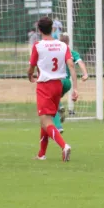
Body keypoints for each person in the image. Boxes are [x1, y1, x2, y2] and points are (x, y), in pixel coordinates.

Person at [28, 16, 78, 162]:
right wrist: (75, 88)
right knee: (45, 119)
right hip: (59, 85)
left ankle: (64, 146)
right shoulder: (63, 46)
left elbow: (31, 67)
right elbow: (71, 65)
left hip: (45, 86)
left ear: (39, 29)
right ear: (52, 29)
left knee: (46, 120)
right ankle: (41, 154)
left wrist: (29, 76)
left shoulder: (38, 46)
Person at [52, 32, 89, 133]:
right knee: (56, 97)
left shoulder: (55, 52)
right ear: (68, 42)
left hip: (57, 81)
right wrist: (85, 74)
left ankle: (58, 126)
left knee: (52, 101)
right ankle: (60, 108)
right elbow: (80, 63)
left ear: (59, 41)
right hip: (67, 83)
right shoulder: (73, 53)